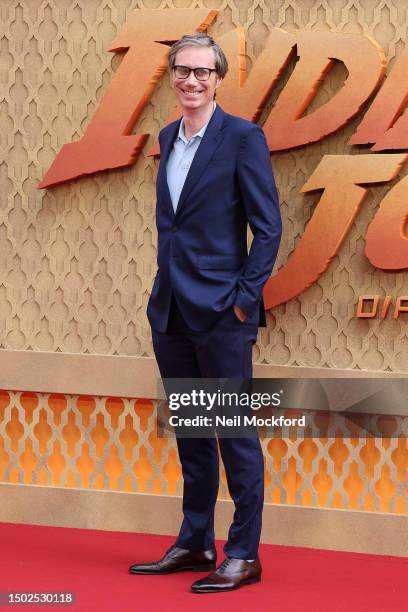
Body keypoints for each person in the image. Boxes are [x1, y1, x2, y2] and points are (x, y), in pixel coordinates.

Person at [129, 32, 282, 593]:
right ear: (172, 76)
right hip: (169, 311)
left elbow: (268, 227)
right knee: (192, 433)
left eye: (202, 72)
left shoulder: (242, 137)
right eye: (182, 71)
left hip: (222, 313)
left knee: (233, 432)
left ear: (218, 79)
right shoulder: (169, 137)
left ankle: (243, 553)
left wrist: (243, 302)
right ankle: (196, 541)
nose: (191, 81)